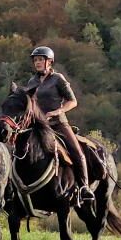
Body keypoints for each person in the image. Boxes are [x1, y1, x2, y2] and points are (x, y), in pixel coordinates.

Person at [26, 46, 94, 202]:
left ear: (49, 62)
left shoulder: (58, 78)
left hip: (58, 124)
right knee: (20, 148)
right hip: (38, 126)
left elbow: (73, 101)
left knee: (77, 152)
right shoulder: (32, 81)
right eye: (35, 60)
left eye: (40, 59)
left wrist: (57, 112)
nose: (37, 63)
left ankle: (84, 187)